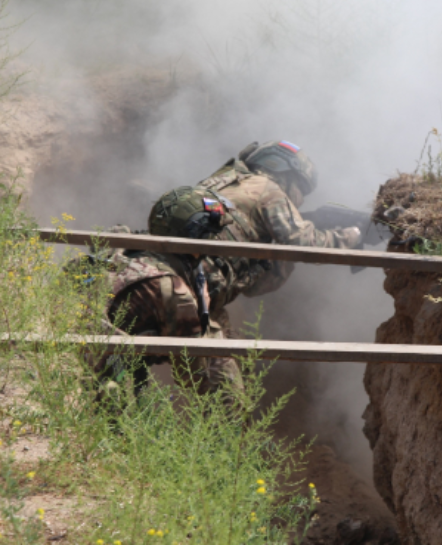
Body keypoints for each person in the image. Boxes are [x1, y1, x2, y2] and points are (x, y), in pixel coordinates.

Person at [148, 140, 362, 325]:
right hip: (194, 282)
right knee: (220, 371)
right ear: (286, 173)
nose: (301, 199)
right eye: (301, 189)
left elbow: (253, 286)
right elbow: (306, 244)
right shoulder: (269, 189)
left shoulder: (223, 181)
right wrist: (353, 235)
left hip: (166, 267)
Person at [67, 229, 242, 403]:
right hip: (96, 365)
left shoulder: (127, 247)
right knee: (220, 370)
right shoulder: (175, 291)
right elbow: (191, 376)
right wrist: (201, 314)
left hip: (71, 333)